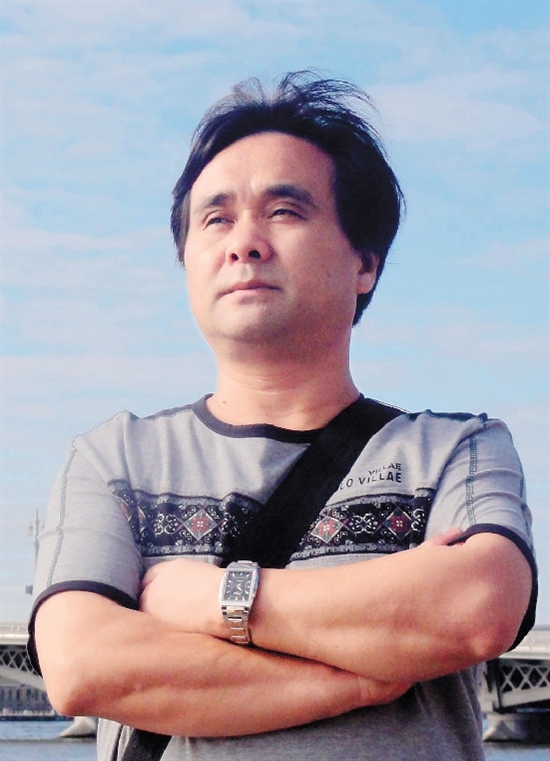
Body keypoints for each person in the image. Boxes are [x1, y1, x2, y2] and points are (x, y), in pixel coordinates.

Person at [29, 71, 537, 761]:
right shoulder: (114, 459)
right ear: (186, 261)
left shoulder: (455, 449)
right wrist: (362, 676)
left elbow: (476, 608)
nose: (244, 242)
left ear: (365, 263)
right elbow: (83, 666)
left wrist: (212, 599)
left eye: (284, 212)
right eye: (216, 219)